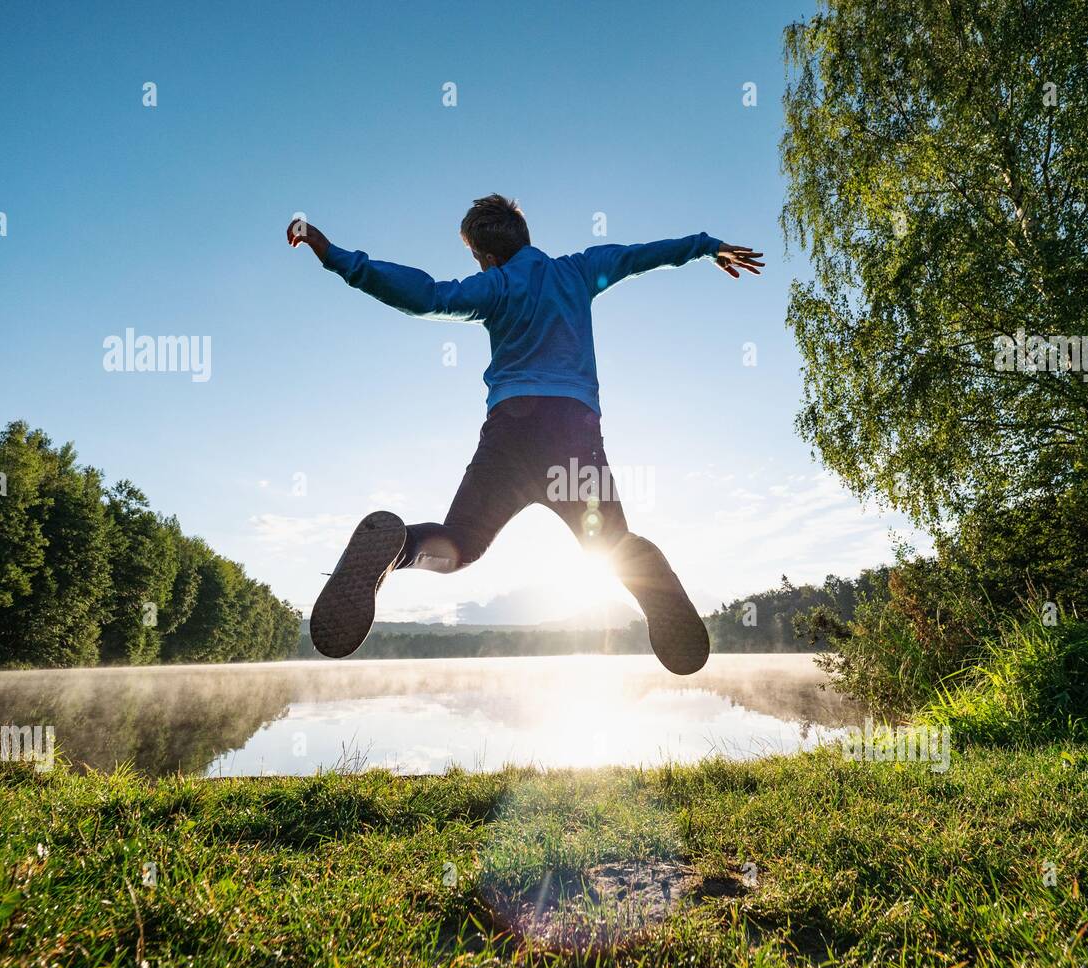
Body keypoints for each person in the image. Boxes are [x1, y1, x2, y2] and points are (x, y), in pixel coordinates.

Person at [286, 194, 764, 674]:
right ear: (525, 236)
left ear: (488, 256)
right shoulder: (578, 271)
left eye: (475, 257)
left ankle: (398, 549)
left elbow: (425, 295)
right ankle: (655, 586)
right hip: (572, 436)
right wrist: (708, 247)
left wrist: (335, 257)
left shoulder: (495, 285)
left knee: (459, 545)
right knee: (612, 546)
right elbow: (640, 255)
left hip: (509, 438)